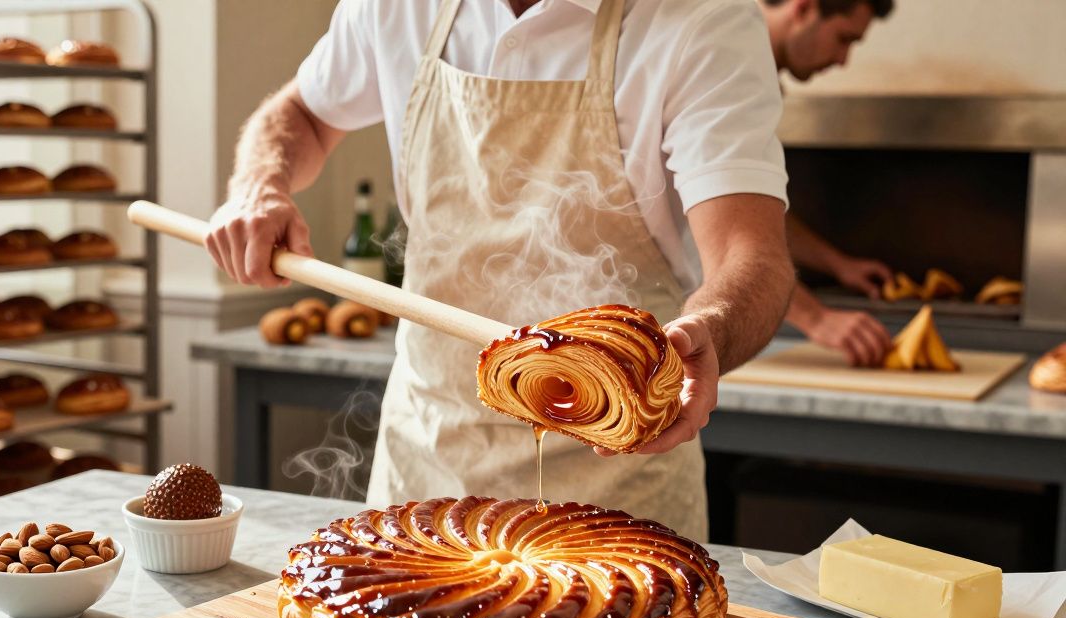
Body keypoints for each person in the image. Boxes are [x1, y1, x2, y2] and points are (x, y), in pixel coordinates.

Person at [205, 0, 796, 540]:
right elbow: (303, 113)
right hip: (424, 474)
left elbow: (754, 257)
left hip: (617, 502)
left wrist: (710, 330)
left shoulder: (703, 20)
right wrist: (259, 184)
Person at [762, 0, 897, 366]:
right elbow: (710, 222)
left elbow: (754, 209)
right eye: (843, 38)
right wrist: (815, 317)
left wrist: (839, 265)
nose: (843, 60)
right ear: (804, 8)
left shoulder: (756, 78)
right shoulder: (725, 67)